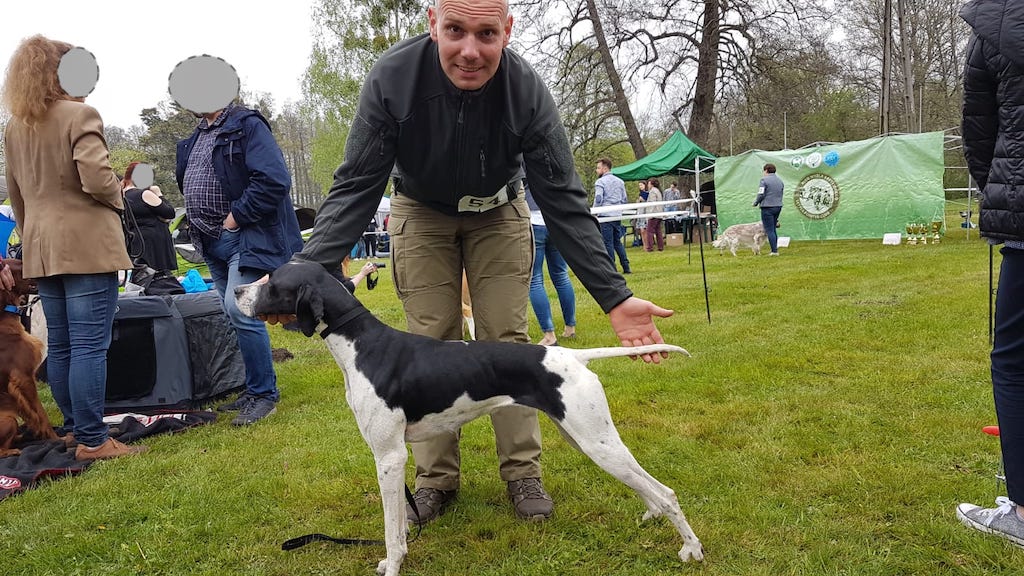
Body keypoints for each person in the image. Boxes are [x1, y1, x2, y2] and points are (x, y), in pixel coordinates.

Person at [271, 0, 674, 526]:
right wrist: (305, 270)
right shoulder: (392, 78)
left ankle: (522, 472)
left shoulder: (526, 92)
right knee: (427, 338)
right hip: (420, 210)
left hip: (500, 211)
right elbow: (356, 185)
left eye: (486, 33)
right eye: (455, 29)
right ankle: (435, 480)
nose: (469, 51)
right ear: (432, 23)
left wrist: (615, 297)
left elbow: (562, 198)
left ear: (507, 30)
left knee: (508, 339)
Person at [2, 35, 146, 460]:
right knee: (89, 346)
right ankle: (93, 440)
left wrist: (33, 236)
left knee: (63, 345)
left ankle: (72, 430)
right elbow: (98, 180)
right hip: (86, 247)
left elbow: (17, 194)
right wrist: (120, 198)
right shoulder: (81, 114)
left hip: (42, 249)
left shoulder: (15, 127)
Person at [176, 100, 303, 426]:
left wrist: (235, 218)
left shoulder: (246, 125)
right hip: (210, 242)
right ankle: (253, 388)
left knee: (241, 310)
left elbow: (274, 180)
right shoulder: (199, 135)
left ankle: (264, 395)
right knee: (233, 315)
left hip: (244, 238)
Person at [956, 0, 1024, 548]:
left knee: (1015, 361)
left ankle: (1022, 512)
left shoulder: (994, 26)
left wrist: (1001, 194)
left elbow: (979, 132)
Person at [525, 186, 576, 347]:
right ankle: (570, 327)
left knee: (535, 279)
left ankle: (549, 335)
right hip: (555, 217)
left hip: (533, 219)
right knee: (561, 275)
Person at [122, 163, 177, 273]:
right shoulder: (144, 194)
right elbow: (169, 213)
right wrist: (159, 193)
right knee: (159, 275)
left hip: (134, 240)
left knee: (141, 274)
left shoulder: (122, 195)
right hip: (154, 242)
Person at [593, 158, 631, 274]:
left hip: (605, 215)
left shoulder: (600, 182)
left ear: (605, 169)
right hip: (617, 215)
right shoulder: (620, 182)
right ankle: (626, 266)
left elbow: (598, 198)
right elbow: (624, 199)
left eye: (598, 168)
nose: (596, 170)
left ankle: (611, 269)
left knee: (607, 243)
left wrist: (594, 211)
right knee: (617, 242)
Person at [752, 163, 783, 256]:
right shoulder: (780, 181)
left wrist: (756, 202)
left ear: (766, 170)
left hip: (767, 207)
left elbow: (761, 194)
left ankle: (774, 251)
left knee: (769, 230)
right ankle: (775, 249)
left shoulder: (764, 180)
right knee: (773, 229)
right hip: (778, 206)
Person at [644, 177, 665, 251]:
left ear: (651, 184)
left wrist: (649, 215)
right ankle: (660, 246)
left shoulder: (652, 191)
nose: (648, 185)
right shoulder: (658, 191)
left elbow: (652, 204)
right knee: (658, 231)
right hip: (659, 214)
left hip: (654, 214)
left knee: (649, 231)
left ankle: (650, 247)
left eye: (649, 183)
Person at [634, 181, 649, 249]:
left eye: (641, 185)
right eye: (639, 185)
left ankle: (647, 245)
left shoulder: (647, 193)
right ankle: (644, 245)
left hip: (645, 212)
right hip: (640, 212)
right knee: (641, 230)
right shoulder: (640, 193)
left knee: (645, 230)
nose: (640, 187)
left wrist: (642, 200)